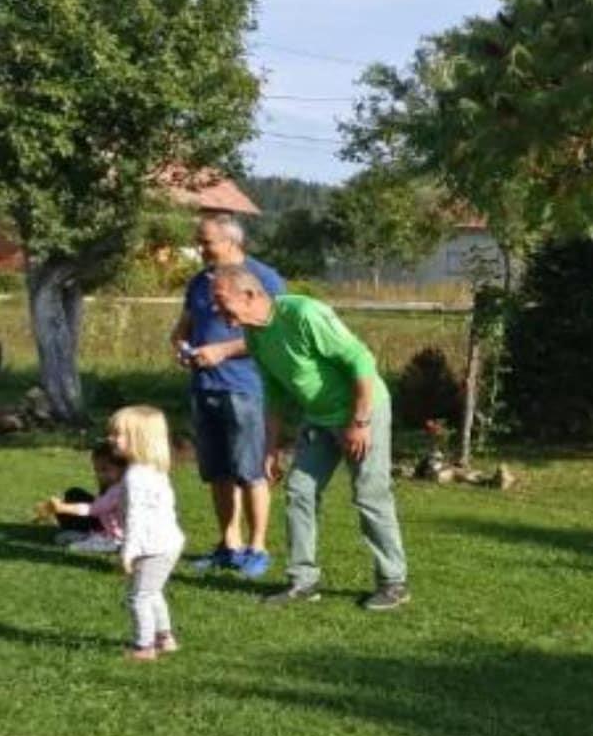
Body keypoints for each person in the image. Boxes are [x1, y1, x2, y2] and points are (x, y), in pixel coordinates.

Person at [208, 265, 409, 611]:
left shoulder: (303, 314)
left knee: (369, 495)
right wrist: (270, 448)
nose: (216, 310)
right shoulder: (255, 335)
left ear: (250, 295)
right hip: (319, 418)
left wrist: (360, 422)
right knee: (299, 489)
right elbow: (273, 394)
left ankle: (393, 583)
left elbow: (361, 359)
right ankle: (303, 581)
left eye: (221, 300)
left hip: (363, 411)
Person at [172, 213, 284, 579]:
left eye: (206, 242)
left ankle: (258, 547)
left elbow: (274, 333)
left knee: (250, 471)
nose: (200, 248)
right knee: (218, 471)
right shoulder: (199, 281)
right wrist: (182, 347)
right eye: (199, 241)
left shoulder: (264, 278)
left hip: (245, 388)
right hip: (205, 387)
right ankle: (228, 544)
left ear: (231, 241)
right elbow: (183, 328)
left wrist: (222, 351)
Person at [108, 405, 187, 661]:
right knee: (153, 592)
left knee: (139, 596)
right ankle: (165, 638)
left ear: (139, 439)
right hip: (168, 542)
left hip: (152, 546)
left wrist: (128, 552)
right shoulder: (154, 469)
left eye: (118, 434)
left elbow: (136, 518)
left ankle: (144, 647)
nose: (111, 438)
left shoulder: (136, 476)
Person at [41, 441, 127, 555]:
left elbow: (93, 509)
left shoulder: (118, 490)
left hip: (116, 536)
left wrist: (63, 508)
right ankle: (95, 536)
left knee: (72, 546)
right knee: (73, 494)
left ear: (121, 468)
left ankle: (110, 543)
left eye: (105, 469)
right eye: (97, 470)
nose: (100, 475)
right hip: (106, 529)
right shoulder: (114, 487)